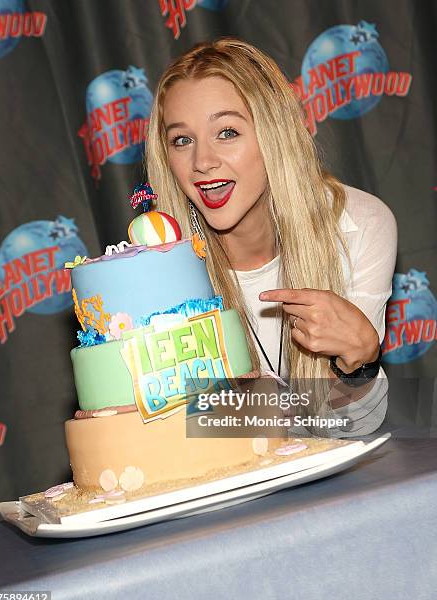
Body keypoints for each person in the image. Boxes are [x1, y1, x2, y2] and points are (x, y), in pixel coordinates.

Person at [145, 38, 397, 435]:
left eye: (226, 132)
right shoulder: (155, 266)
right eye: (182, 140)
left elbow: (349, 430)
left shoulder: (358, 224)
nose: (203, 161)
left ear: (273, 133)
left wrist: (359, 364)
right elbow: (186, 441)